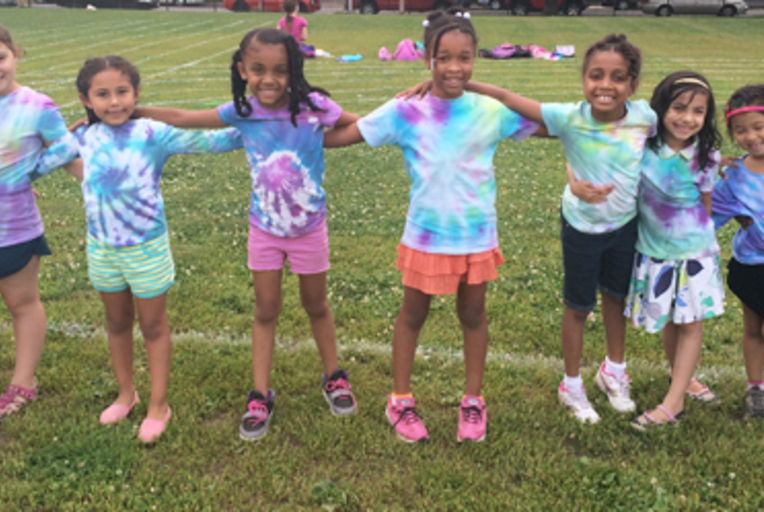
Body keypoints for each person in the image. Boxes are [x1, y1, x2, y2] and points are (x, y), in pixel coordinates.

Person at [324, 8, 541, 443]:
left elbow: (551, 124)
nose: (454, 68)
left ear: (476, 58)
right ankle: (399, 401)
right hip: (426, 237)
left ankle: (473, 401)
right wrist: (283, 130)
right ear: (428, 58)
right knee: (412, 315)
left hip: (476, 238)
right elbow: (349, 133)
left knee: (474, 315)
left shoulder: (490, 110)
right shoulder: (408, 109)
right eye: (444, 58)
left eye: (464, 58)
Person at [133, 28, 360, 442]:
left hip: (310, 228)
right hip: (265, 230)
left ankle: (334, 376)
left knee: (316, 304)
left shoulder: (314, 105)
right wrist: (132, 110)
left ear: (295, 70)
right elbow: (186, 120)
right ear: (242, 70)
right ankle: (259, 394)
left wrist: (327, 138)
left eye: (280, 70)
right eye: (258, 69)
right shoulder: (242, 111)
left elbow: (356, 127)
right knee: (265, 309)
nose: (269, 79)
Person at [33, 55, 243, 442]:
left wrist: (258, 124)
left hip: (146, 248)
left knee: (152, 325)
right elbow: (44, 163)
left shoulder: (152, 133)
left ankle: (158, 404)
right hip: (102, 248)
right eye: (103, 94)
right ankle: (126, 393)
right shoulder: (82, 138)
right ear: (85, 98)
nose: (114, 102)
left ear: (136, 93)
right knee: (116, 323)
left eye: (122, 92)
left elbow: (214, 141)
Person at [449, 34, 656, 424]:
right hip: (581, 226)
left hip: (625, 224)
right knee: (578, 305)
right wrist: (460, 83)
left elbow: (675, 145)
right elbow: (509, 98)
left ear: (632, 84)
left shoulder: (645, 117)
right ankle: (572, 385)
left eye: (617, 77)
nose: (606, 85)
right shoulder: (569, 117)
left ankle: (613, 371)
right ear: (583, 80)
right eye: (596, 75)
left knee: (616, 298)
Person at [571, 71, 724, 429]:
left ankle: (673, 403)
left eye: (698, 111)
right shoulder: (641, 147)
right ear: (661, 107)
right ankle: (680, 375)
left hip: (695, 255)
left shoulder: (707, 157)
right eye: (679, 107)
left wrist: (702, 249)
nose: (688, 118)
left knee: (690, 323)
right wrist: (575, 183)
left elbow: (707, 206)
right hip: (654, 251)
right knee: (672, 318)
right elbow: (586, 150)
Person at [0, 24, 82, 420]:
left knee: (22, 303)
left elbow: (66, 148)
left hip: (13, 228)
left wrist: (26, 175)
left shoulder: (37, 105)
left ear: (14, 54)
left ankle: (23, 382)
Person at [712, 84, 764, 418]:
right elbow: (706, 217)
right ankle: (756, 389)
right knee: (752, 329)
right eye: (740, 130)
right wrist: (703, 173)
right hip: (750, 264)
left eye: (758, 127)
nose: (750, 136)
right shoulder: (733, 175)